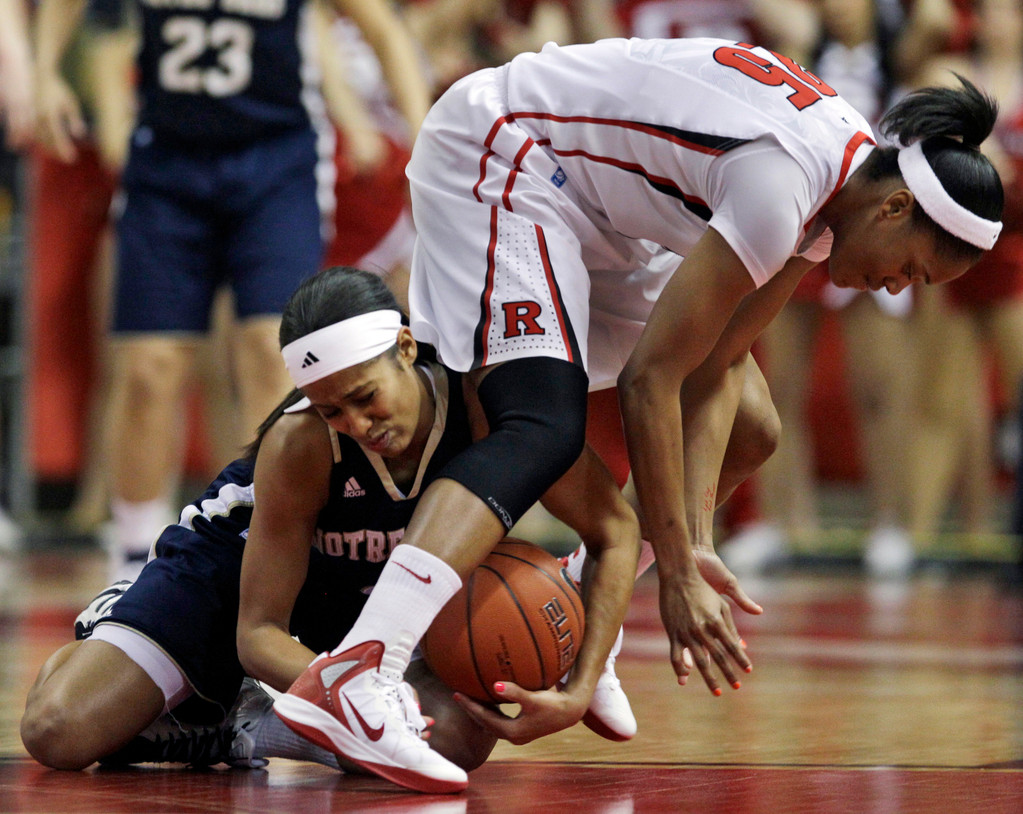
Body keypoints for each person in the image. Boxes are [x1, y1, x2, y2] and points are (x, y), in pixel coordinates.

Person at [271, 35, 1004, 792]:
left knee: (752, 428)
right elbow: (651, 382)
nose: (896, 287)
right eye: (911, 268)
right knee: (538, 426)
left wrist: (695, 537)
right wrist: (677, 573)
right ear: (893, 206)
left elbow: (717, 367)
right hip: (503, 148)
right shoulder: (784, 187)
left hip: (592, 206)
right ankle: (359, 669)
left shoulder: (837, 197)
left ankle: (588, 596)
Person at [20, 266, 639, 780]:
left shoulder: (487, 408)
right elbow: (258, 631)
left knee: (455, 738)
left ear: (405, 348)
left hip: (358, 610)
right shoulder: (300, 441)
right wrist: (350, 689)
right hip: (228, 579)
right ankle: (126, 617)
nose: (358, 424)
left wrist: (581, 685)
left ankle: (243, 727)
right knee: (57, 731)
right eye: (331, 409)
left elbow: (615, 531)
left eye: (365, 397)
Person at [34, 0, 433, 581]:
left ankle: (265, 545)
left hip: (276, 161)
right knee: (147, 367)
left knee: (271, 354)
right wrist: (44, 70)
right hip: (166, 160)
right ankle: (133, 564)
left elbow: (383, 28)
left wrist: (421, 138)